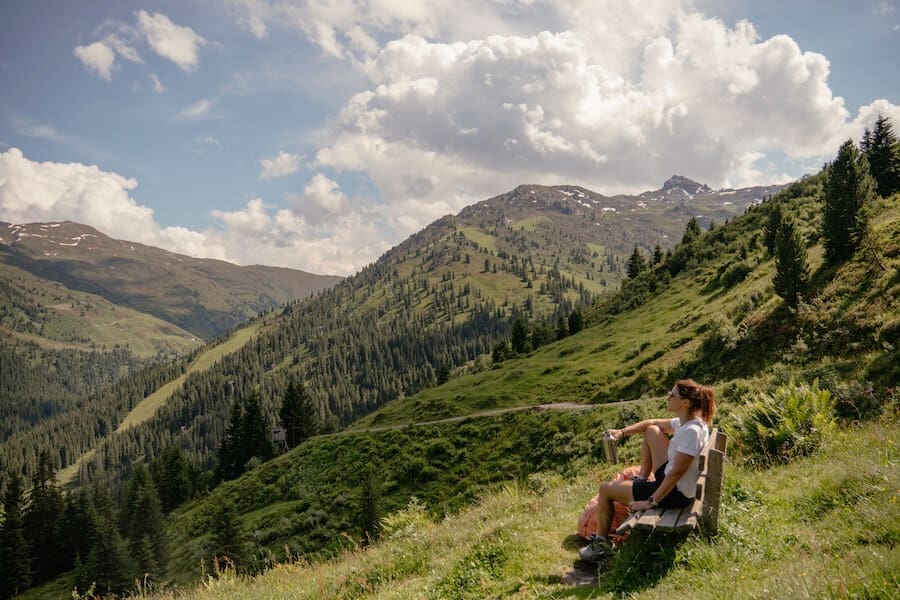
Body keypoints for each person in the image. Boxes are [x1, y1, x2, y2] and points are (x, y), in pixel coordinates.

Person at [579, 378, 716, 561]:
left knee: (605, 489)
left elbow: (676, 473)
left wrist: (651, 501)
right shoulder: (688, 422)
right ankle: (642, 479)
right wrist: (622, 432)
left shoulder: (691, 431)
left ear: (685, 403)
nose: (668, 397)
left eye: (672, 395)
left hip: (674, 494)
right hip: (673, 483)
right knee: (652, 430)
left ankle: (600, 546)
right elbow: (651, 422)